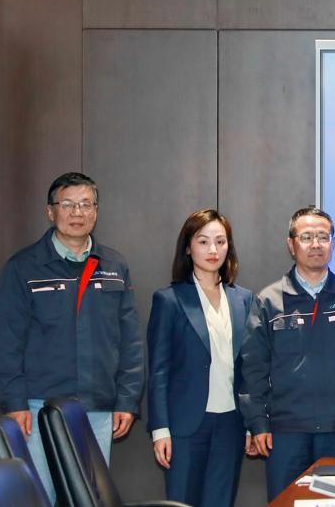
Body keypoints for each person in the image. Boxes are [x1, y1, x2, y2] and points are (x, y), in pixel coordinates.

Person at [0, 171, 143, 503]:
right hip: (39, 408)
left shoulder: (114, 265)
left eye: (86, 204)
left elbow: (130, 341)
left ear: (96, 212)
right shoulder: (24, 267)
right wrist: (15, 403)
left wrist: (127, 400)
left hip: (99, 409)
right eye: (67, 204)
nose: (77, 213)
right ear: (50, 211)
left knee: (88, 498)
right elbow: (4, 343)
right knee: (39, 496)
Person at [241, 206, 335, 501]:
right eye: (307, 237)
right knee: (286, 502)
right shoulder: (269, 300)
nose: (316, 244)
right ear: (291, 244)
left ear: (333, 243)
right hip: (285, 432)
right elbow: (253, 369)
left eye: (323, 236)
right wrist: (258, 423)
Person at [146, 209, 254, 507]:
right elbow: (158, 371)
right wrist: (160, 429)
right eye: (203, 241)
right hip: (184, 425)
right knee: (183, 502)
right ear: (188, 247)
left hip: (231, 423)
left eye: (221, 242)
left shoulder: (243, 299)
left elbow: (247, 368)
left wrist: (250, 423)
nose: (213, 250)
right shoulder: (168, 299)